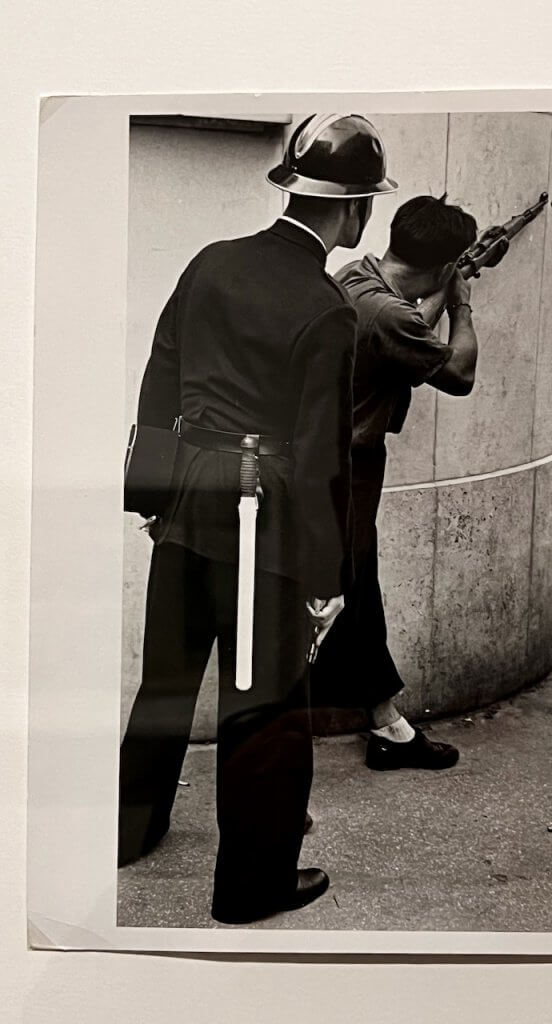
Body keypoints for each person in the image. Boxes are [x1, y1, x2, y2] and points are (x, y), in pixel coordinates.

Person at [118, 114, 397, 924]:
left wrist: (152, 495)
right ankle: (251, 887)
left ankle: (130, 831)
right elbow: (318, 458)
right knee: (265, 703)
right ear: (353, 211)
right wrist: (326, 579)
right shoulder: (325, 306)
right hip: (260, 518)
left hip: (190, 502)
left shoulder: (211, 263)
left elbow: (159, 379)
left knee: (167, 684)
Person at [311, 194, 500, 771]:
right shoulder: (393, 315)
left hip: (329, 464)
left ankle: (388, 725)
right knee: (331, 602)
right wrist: (463, 303)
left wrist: (455, 272)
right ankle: (281, 755)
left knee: (358, 593)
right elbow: (459, 374)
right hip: (344, 471)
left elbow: (407, 314)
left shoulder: (356, 276)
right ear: (442, 265)